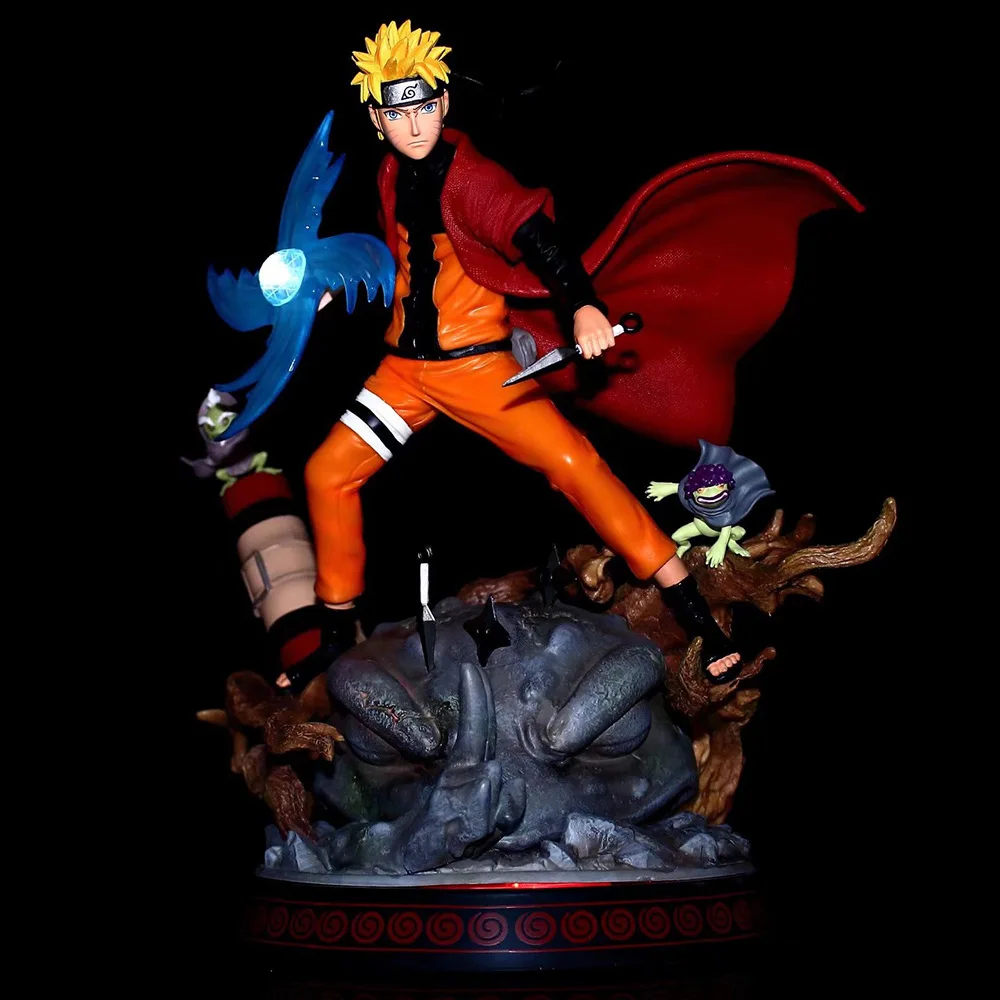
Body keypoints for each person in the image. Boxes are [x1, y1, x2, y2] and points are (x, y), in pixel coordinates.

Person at [276, 20, 742, 692]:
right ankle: (335, 637)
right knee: (327, 474)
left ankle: (693, 610)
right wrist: (338, 282)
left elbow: (539, 241)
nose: (414, 125)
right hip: (403, 375)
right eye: (396, 113)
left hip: (479, 372)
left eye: (423, 107)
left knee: (575, 466)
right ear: (377, 120)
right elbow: (397, 256)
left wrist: (582, 305)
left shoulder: (472, 180)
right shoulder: (388, 171)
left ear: (443, 102)